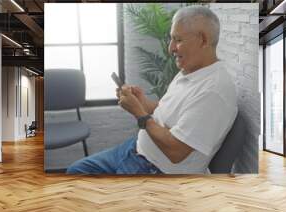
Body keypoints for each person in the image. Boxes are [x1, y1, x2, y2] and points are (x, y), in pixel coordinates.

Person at [66, 5, 237, 174]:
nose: (171, 48)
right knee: (76, 171)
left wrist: (139, 114)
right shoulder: (190, 70)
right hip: (135, 149)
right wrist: (143, 102)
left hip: (155, 169)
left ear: (203, 40)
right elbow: (166, 112)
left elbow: (176, 152)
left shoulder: (213, 92)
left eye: (178, 40)